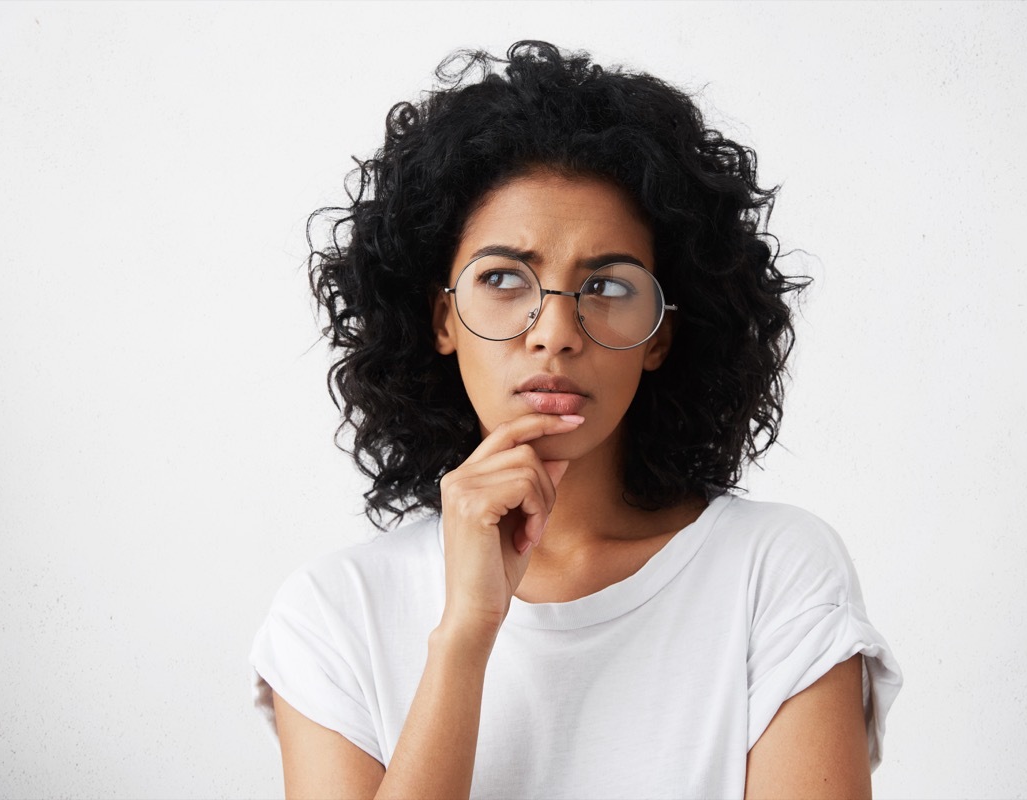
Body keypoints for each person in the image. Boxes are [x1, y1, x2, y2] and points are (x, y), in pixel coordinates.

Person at [250, 40, 901, 799]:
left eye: (608, 286)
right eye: (502, 278)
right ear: (442, 319)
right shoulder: (335, 612)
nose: (555, 330)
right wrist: (465, 634)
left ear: (659, 336)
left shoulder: (774, 572)